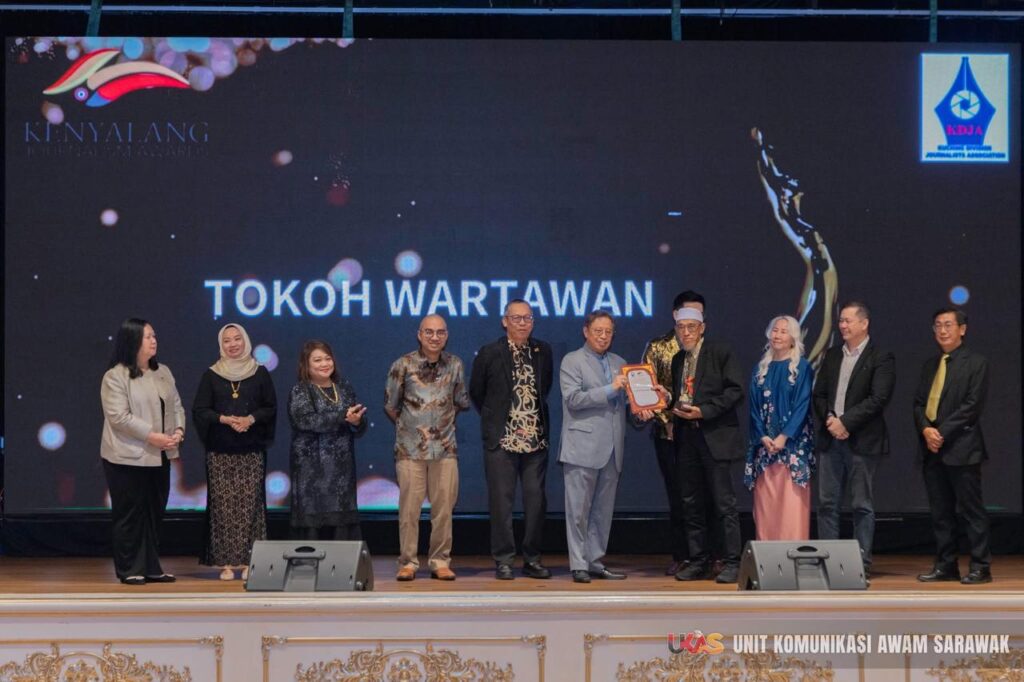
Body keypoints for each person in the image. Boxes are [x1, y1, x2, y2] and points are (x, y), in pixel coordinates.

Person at [559, 311, 654, 584]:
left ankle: (594, 561)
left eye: (608, 332)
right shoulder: (572, 361)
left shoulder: (620, 363)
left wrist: (642, 411)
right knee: (578, 511)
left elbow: (626, 404)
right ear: (585, 331)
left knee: (602, 512)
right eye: (598, 331)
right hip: (581, 447)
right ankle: (578, 564)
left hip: (612, 449)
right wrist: (611, 388)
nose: (603, 336)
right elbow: (574, 399)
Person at [470, 300, 554, 580]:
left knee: (535, 503)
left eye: (527, 318)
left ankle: (532, 559)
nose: (522, 323)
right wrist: (497, 420)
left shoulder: (543, 351)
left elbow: (545, 388)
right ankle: (504, 560)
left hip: (535, 441)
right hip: (502, 440)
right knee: (501, 504)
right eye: (516, 318)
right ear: (504, 321)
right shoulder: (490, 352)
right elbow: (477, 392)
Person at [812, 301, 895, 579]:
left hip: (862, 441)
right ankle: (828, 562)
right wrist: (830, 420)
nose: (843, 325)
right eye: (841, 321)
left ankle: (860, 564)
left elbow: (878, 398)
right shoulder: (833, 355)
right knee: (827, 505)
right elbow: (819, 394)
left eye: (848, 321)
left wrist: (845, 423)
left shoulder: (881, 356)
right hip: (831, 439)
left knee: (861, 505)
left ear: (864, 323)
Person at [384, 315, 471, 581]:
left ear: (446, 336)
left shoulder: (455, 364)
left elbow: (460, 402)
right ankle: (408, 562)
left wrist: (440, 426)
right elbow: (391, 406)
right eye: (429, 332)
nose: (435, 337)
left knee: (444, 509)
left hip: (445, 449)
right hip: (410, 450)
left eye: (440, 332)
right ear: (419, 334)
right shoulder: (402, 364)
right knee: (409, 510)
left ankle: (440, 561)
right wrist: (414, 427)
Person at [100, 318, 185, 585]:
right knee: (130, 514)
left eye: (154, 336)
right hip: (127, 457)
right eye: (148, 336)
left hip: (160, 455)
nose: (153, 341)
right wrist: (152, 436)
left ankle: (151, 567)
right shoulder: (116, 376)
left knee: (153, 513)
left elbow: (176, 406)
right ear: (132, 340)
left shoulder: (163, 372)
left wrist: (178, 431)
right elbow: (119, 417)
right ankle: (129, 568)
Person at [193, 323, 277, 581]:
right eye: (227, 340)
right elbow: (200, 410)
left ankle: (250, 561)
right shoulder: (211, 375)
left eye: (237, 339)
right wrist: (224, 419)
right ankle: (226, 563)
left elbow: (270, 408)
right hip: (220, 451)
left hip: (251, 451)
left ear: (245, 341)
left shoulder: (260, 373)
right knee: (224, 508)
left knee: (250, 506)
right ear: (221, 345)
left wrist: (250, 419)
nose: (233, 344)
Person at [914, 308, 992, 585]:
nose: (942, 330)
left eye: (948, 325)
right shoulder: (930, 365)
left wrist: (941, 433)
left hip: (962, 447)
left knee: (971, 511)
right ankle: (946, 566)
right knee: (941, 514)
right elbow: (919, 404)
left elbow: (971, 406)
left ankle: (981, 567)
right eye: (937, 325)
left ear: (962, 329)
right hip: (932, 449)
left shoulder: (976, 363)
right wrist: (926, 429)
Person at [670, 307, 744, 583]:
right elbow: (683, 396)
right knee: (691, 503)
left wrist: (704, 411)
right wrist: (667, 400)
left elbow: (736, 391)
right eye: (681, 328)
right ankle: (698, 560)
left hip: (715, 437)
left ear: (702, 328)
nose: (686, 332)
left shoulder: (720, 352)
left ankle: (733, 561)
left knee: (724, 504)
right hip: (687, 438)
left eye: (691, 327)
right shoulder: (678, 359)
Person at [641, 290, 706, 576]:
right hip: (668, 434)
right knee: (678, 496)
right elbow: (647, 389)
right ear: (675, 316)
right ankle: (682, 555)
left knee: (707, 495)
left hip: (702, 434)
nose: (689, 326)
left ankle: (709, 554)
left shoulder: (709, 350)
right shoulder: (658, 347)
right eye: (685, 318)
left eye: (697, 317)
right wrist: (665, 420)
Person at [287, 340, 367, 542]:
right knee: (313, 523)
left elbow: (357, 423)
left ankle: (342, 562)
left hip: (341, 471)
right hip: (311, 471)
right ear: (306, 364)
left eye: (327, 358)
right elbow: (305, 421)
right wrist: (342, 416)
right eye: (317, 360)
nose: (324, 364)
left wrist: (357, 421)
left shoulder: (344, 387)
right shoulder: (301, 390)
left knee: (341, 520)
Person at [744, 315, 815, 541]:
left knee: (792, 509)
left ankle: (793, 555)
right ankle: (767, 557)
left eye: (784, 331)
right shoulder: (760, 369)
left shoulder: (802, 367)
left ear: (794, 337)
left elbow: (803, 405)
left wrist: (784, 437)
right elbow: (754, 408)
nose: (778, 335)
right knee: (767, 508)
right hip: (765, 449)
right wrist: (762, 436)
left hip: (793, 447)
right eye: (775, 330)